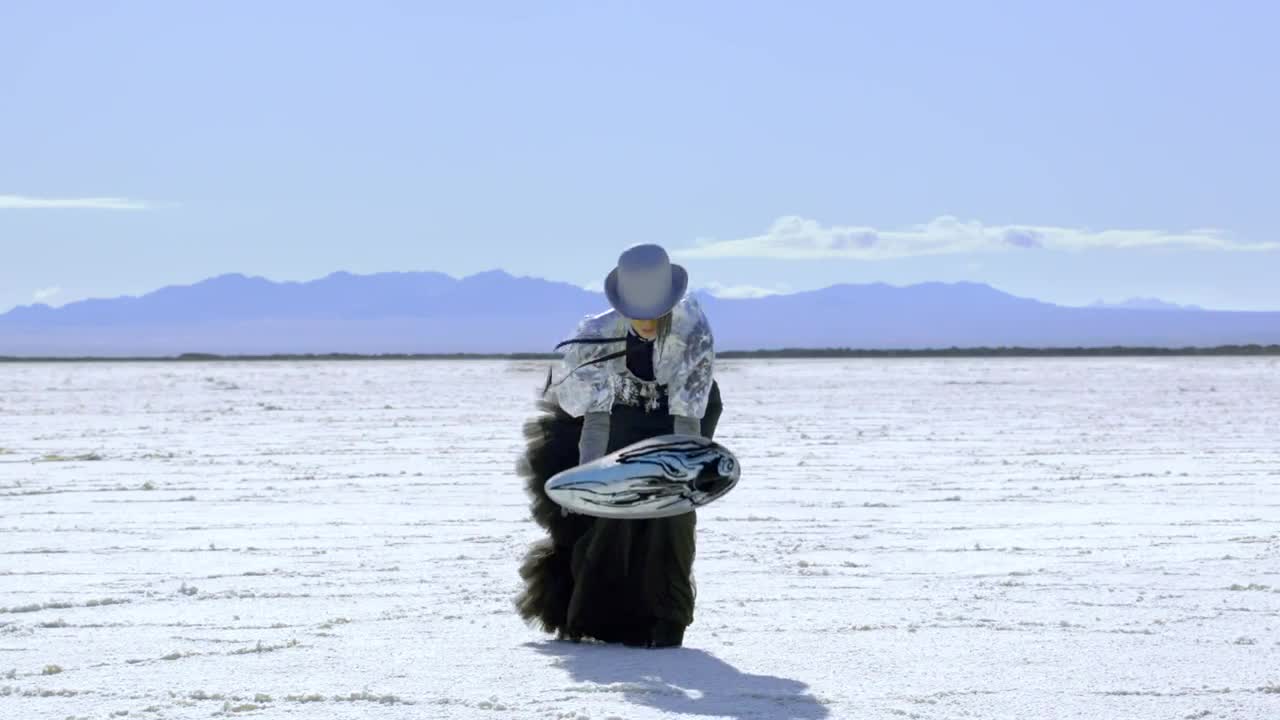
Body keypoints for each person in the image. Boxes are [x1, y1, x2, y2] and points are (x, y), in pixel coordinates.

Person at [514, 243, 722, 648]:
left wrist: (685, 471)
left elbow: (686, 421)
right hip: (621, 411)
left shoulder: (692, 331)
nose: (647, 321)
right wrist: (589, 479)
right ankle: (607, 619)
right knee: (616, 505)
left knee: (671, 512)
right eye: (637, 312)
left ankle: (667, 619)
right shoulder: (597, 336)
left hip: (683, 412)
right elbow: (596, 420)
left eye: (656, 311)